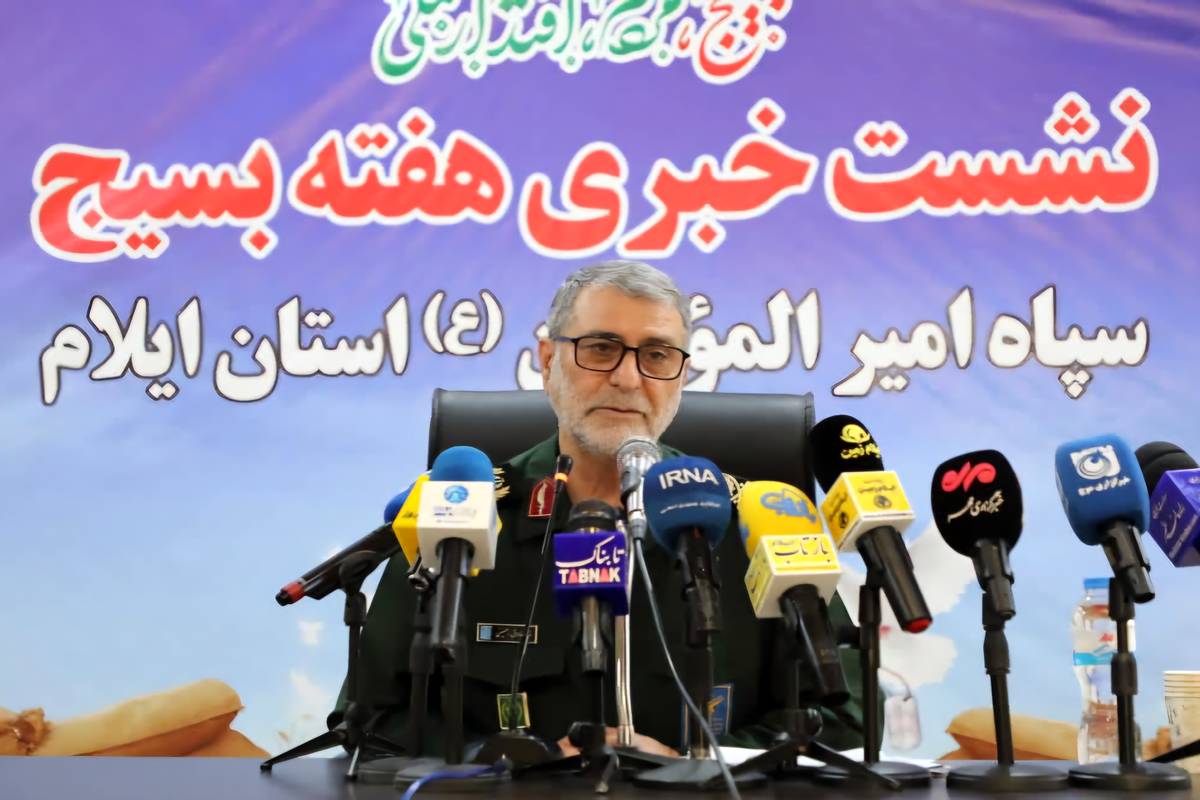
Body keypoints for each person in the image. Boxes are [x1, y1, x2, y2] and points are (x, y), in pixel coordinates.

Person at [329, 260, 867, 758]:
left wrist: (697, 765)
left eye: (657, 355)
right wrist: (511, 765)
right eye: (601, 348)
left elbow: (848, 720)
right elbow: (369, 720)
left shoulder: (755, 524)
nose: (628, 378)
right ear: (548, 361)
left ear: (682, 375)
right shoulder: (456, 521)